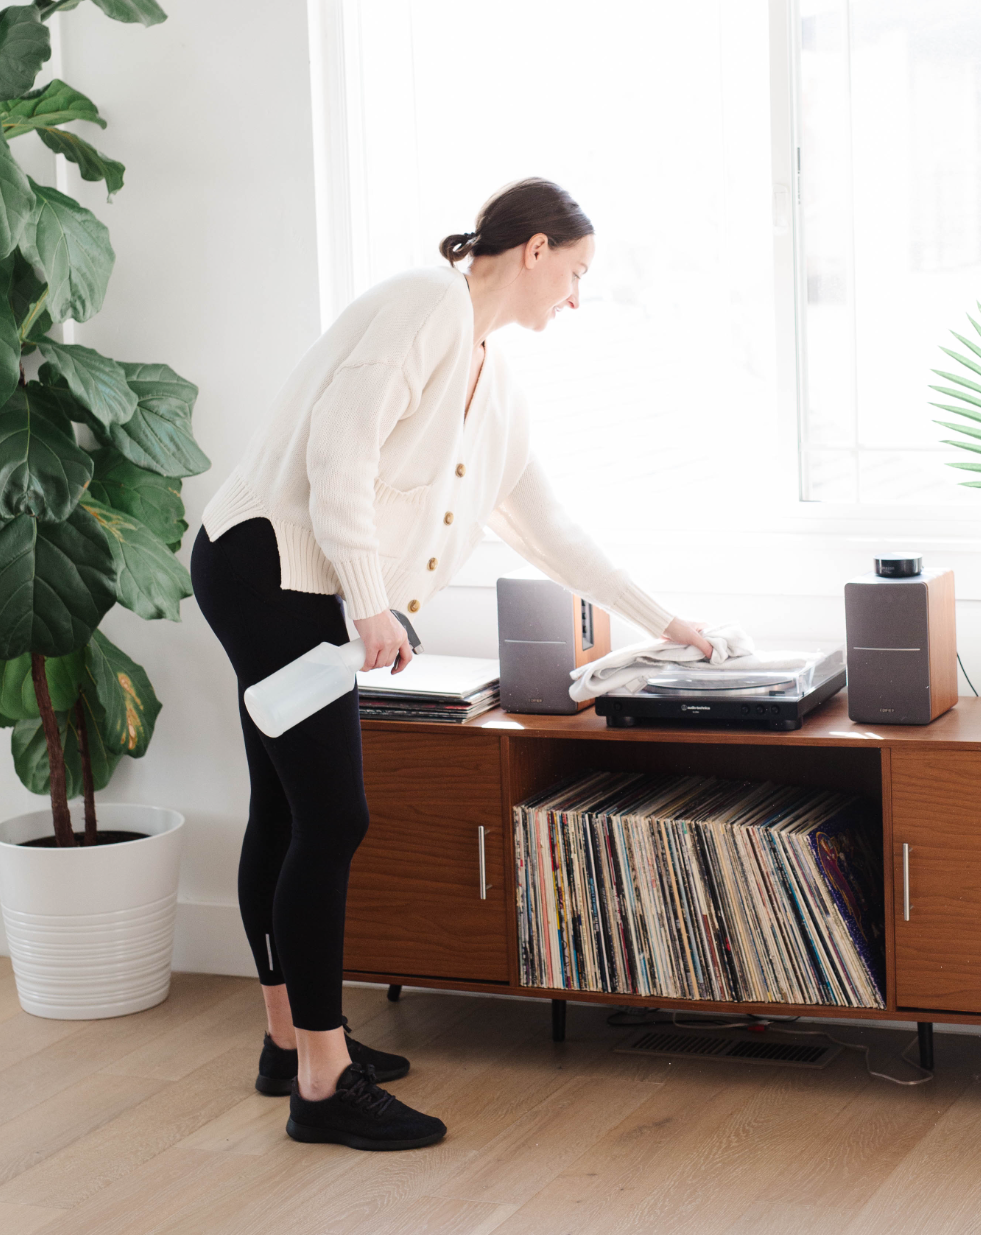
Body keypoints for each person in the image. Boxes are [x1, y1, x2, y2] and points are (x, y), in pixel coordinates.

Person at [190, 178, 710, 1151]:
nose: (576, 297)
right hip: (269, 565)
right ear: (536, 249)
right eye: (578, 273)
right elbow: (340, 455)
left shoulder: (493, 381)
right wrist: (370, 597)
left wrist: (666, 619)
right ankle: (322, 1079)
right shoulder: (422, 305)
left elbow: (548, 528)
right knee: (332, 815)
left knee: (288, 807)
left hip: (299, 579)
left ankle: (287, 1043)